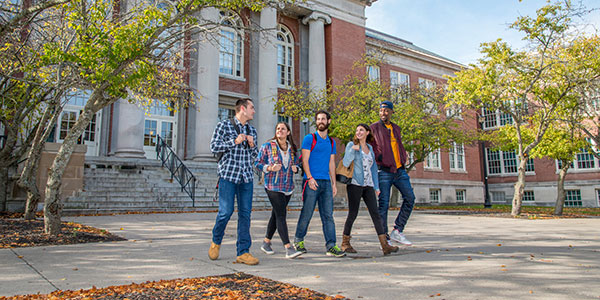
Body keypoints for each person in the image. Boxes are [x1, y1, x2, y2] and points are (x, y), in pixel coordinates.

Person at [208, 98, 260, 265]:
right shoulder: (223, 126)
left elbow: (255, 157)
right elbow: (214, 147)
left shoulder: (252, 130)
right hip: (228, 176)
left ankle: (243, 252)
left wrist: (252, 146)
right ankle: (216, 241)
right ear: (243, 109)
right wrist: (234, 141)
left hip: (246, 178)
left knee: (245, 215)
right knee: (226, 212)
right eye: (252, 107)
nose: (254, 111)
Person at [341, 124, 399, 255]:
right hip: (355, 184)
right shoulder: (351, 145)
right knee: (353, 213)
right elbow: (345, 162)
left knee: (376, 214)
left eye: (361, 130)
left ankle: (385, 245)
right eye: (357, 130)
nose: (358, 132)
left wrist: (376, 187)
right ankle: (345, 243)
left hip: (368, 186)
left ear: (367, 132)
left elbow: (373, 169)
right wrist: (353, 150)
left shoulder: (370, 148)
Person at [294, 110, 346, 257]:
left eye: (323, 119)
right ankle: (298, 241)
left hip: (326, 183)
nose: (320, 121)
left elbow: (331, 162)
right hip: (311, 182)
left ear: (328, 121)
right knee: (307, 212)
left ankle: (331, 245)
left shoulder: (331, 141)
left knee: (328, 215)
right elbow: (304, 160)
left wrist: (334, 184)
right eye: (318, 119)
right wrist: (310, 178)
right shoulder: (309, 138)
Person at [254, 122, 303, 259]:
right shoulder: (268, 146)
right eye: (277, 129)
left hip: (287, 187)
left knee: (276, 215)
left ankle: (266, 242)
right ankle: (288, 247)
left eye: (283, 129)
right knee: (281, 214)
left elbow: (297, 164)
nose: (280, 131)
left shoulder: (292, 148)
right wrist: (269, 168)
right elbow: (257, 163)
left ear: (288, 132)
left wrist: (297, 169)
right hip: (273, 186)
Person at [370, 101, 416, 246]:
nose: (383, 113)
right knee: (383, 204)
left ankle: (398, 230)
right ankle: (385, 238)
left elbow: (398, 145)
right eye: (381, 110)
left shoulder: (396, 128)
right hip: (383, 170)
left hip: (400, 170)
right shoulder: (374, 128)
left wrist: (403, 156)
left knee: (410, 198)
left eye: (386, 110)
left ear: (391, 112)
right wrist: (379, 157)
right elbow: (371, 147)